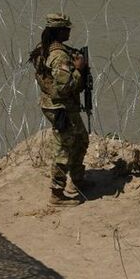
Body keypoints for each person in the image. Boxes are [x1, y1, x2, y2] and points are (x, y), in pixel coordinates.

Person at [28, 13, 89, 206]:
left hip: (55, 105)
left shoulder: (43, 49)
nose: (69, 31)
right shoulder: (58, 55)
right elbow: (64, 87)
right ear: (59, 31)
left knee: (80, 139)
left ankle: (77, 180)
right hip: (61, 107)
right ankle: (57, 193)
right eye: (67, 29)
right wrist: (79, 70)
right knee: (64, 146)